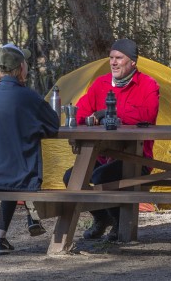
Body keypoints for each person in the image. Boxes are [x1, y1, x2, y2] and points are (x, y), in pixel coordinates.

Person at [64, 38, 160, 241]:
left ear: (133, 62)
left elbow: (147, 115)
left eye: (119, 58)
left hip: (136, 158)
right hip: (102, 156)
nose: (113, 62)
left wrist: (110, 114)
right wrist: (94, 116)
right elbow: (81, 112)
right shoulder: (101, 84)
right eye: (111, 58)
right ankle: (102, 218)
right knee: (71, 178)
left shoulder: (148, 85)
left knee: (101, 177)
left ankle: (119, 225)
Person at [0, 43, 61, 255]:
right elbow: (53, 125)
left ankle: (1, 238)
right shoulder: (28, 97)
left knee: (13, 166)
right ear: (21, 68)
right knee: (23, 168)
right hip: (14, 176)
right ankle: (33, 216)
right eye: (26, 63)